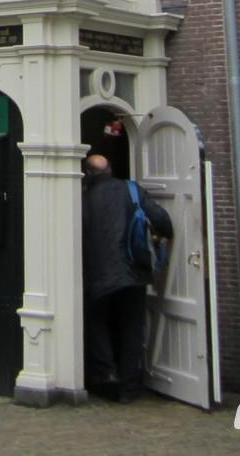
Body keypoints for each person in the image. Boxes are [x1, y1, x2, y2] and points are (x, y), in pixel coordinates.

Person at [80, 151, 171, 402]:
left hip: (97, 273)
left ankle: (107, 374)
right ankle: (129, 387)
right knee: (132, 328)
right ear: (110, 169)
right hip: (132, 273)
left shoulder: (81, 198)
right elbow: (162, 220)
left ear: (87, 173)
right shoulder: (131, 191)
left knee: (97, 322)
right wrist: (157, 238)